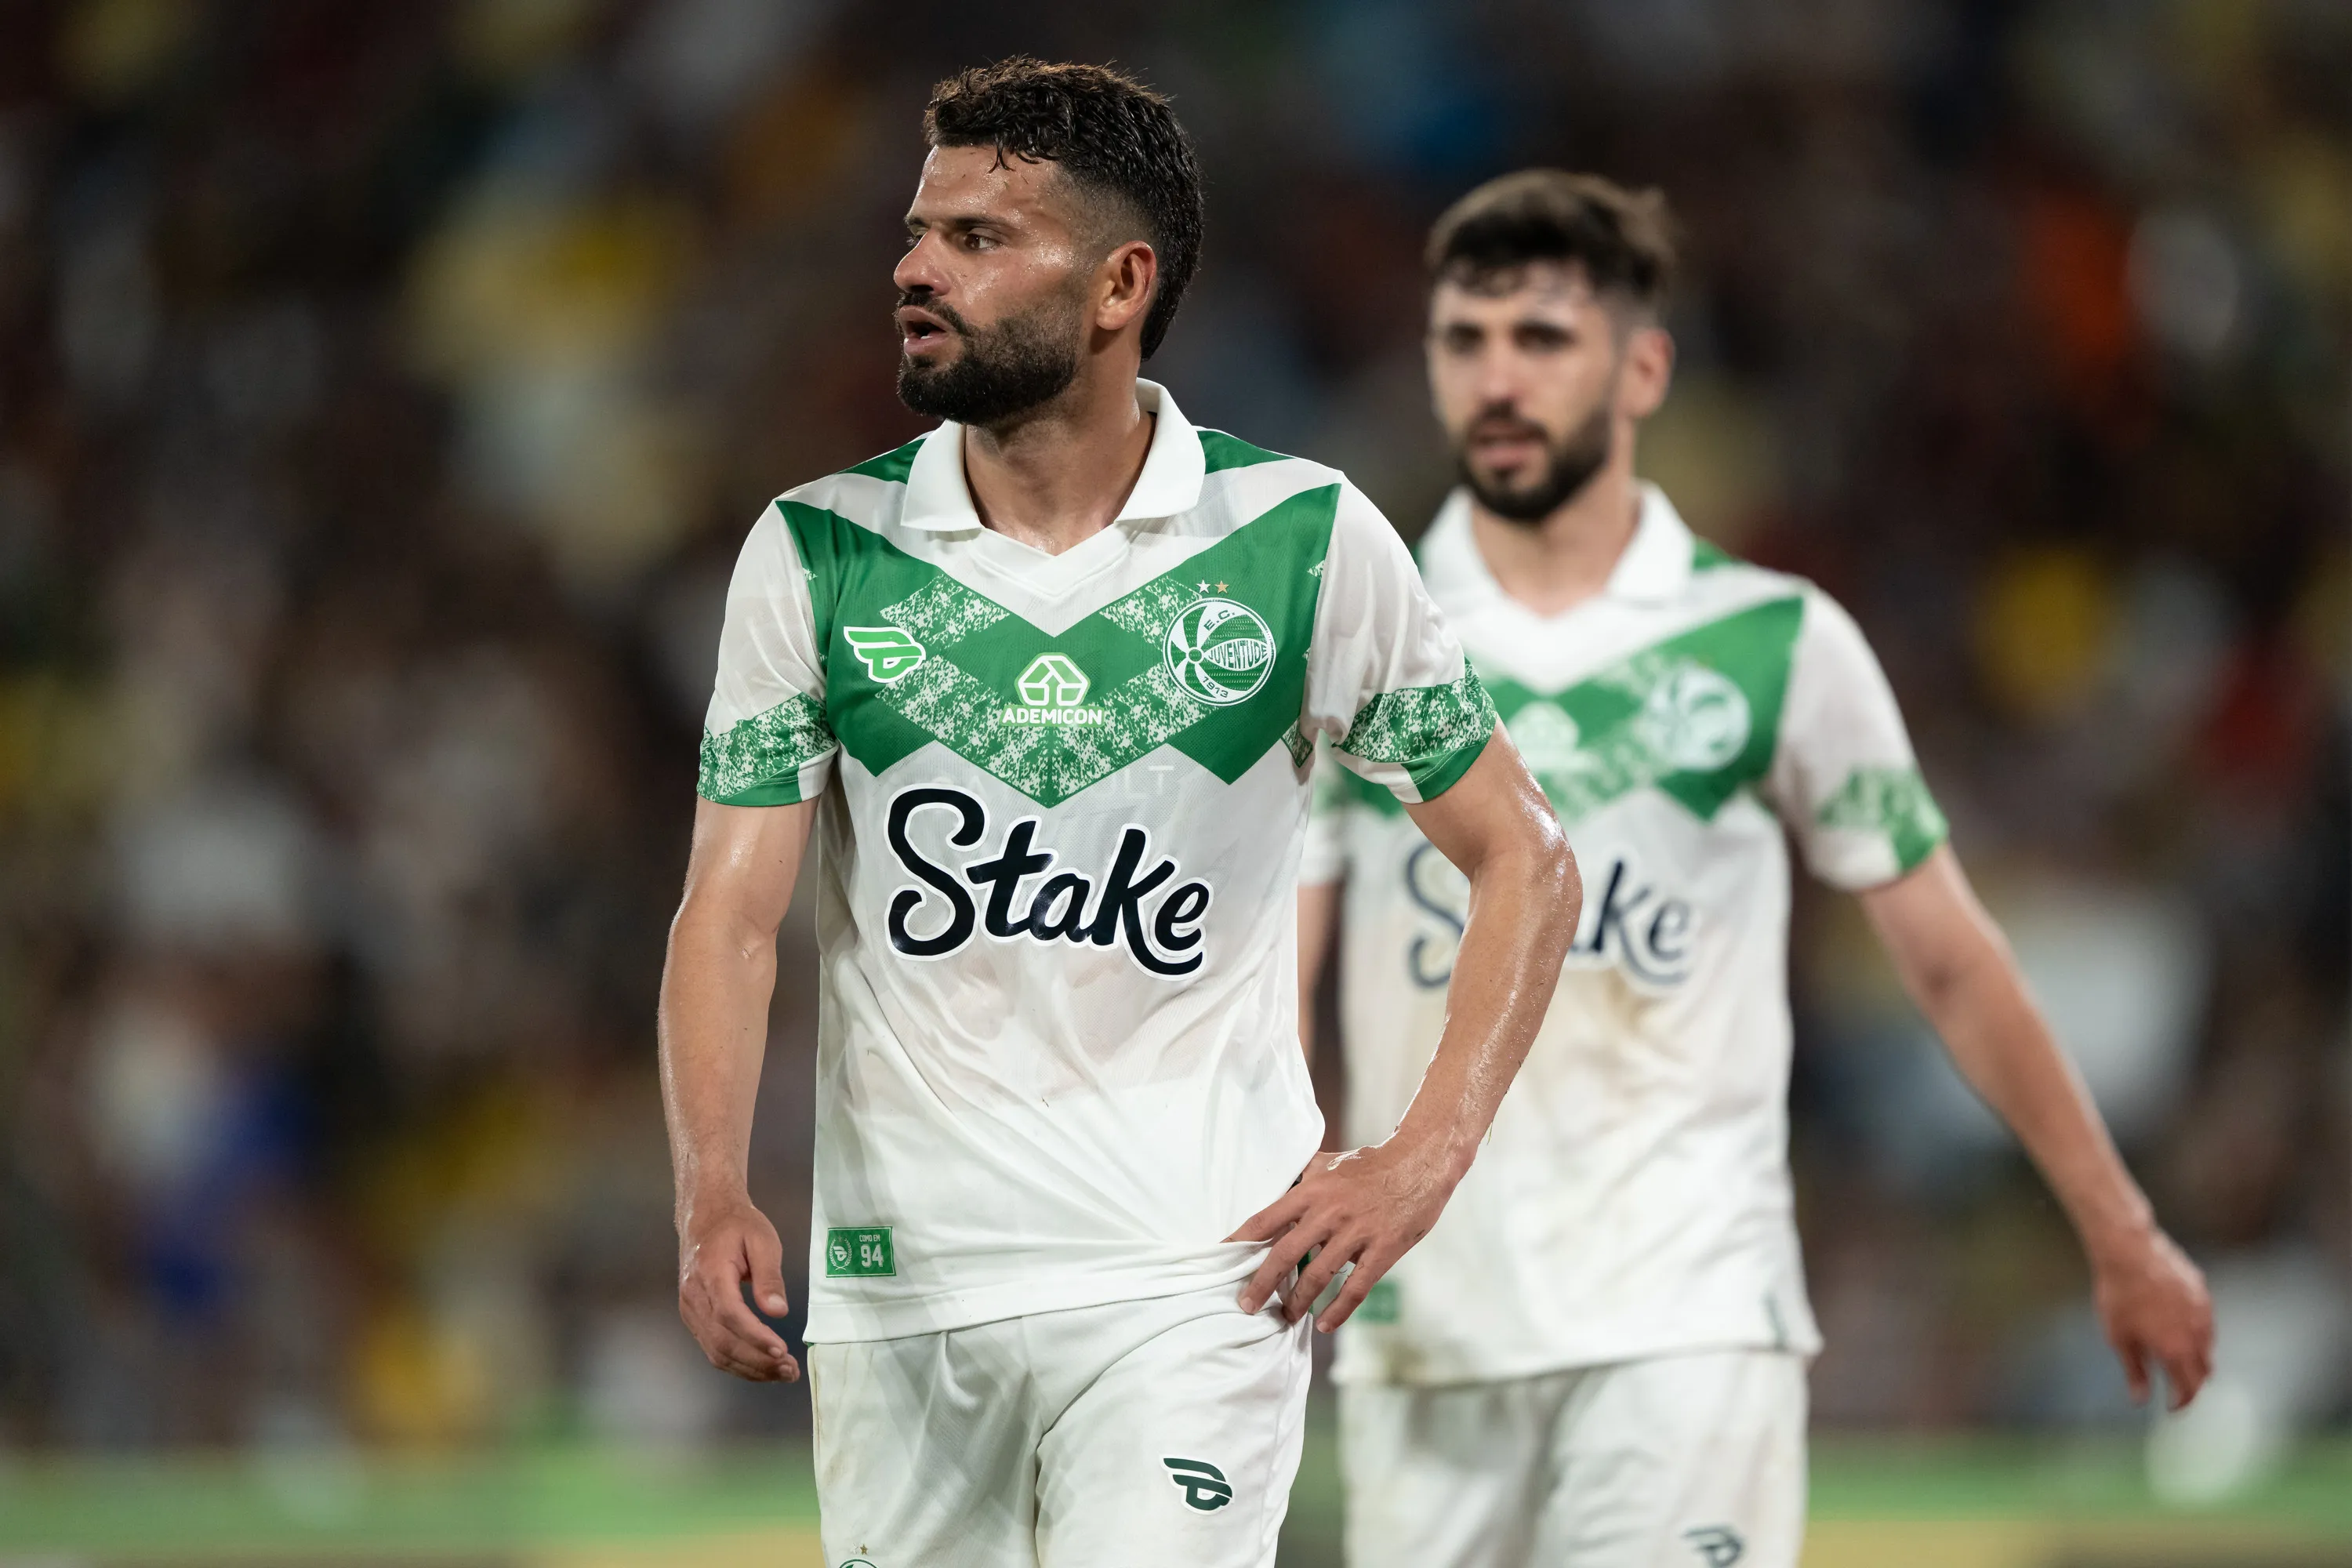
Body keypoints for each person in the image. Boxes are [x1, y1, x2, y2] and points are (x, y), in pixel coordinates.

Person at [658, 62, 1581, 1568]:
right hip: (903, 1295)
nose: (913, 265)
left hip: (1190, 1283)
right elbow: (731, 913)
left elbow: (1526, 861)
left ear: (1117, 285)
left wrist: (1421, 1162)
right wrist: (709, 1195)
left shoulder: (1299, 541)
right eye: (917, 231)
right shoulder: (816, 554)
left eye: (975, 237)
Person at [1298, 169, 2216, 1568]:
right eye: (1464, 341)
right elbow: (1273, 970)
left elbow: (1953, 965)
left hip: (1690, 1319)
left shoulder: (1776, 643)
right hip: (1428, 1327)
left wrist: (2123, 1230)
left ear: (1644, 365)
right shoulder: (1358, 642)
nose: (1498, 379)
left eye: (1542, 340)